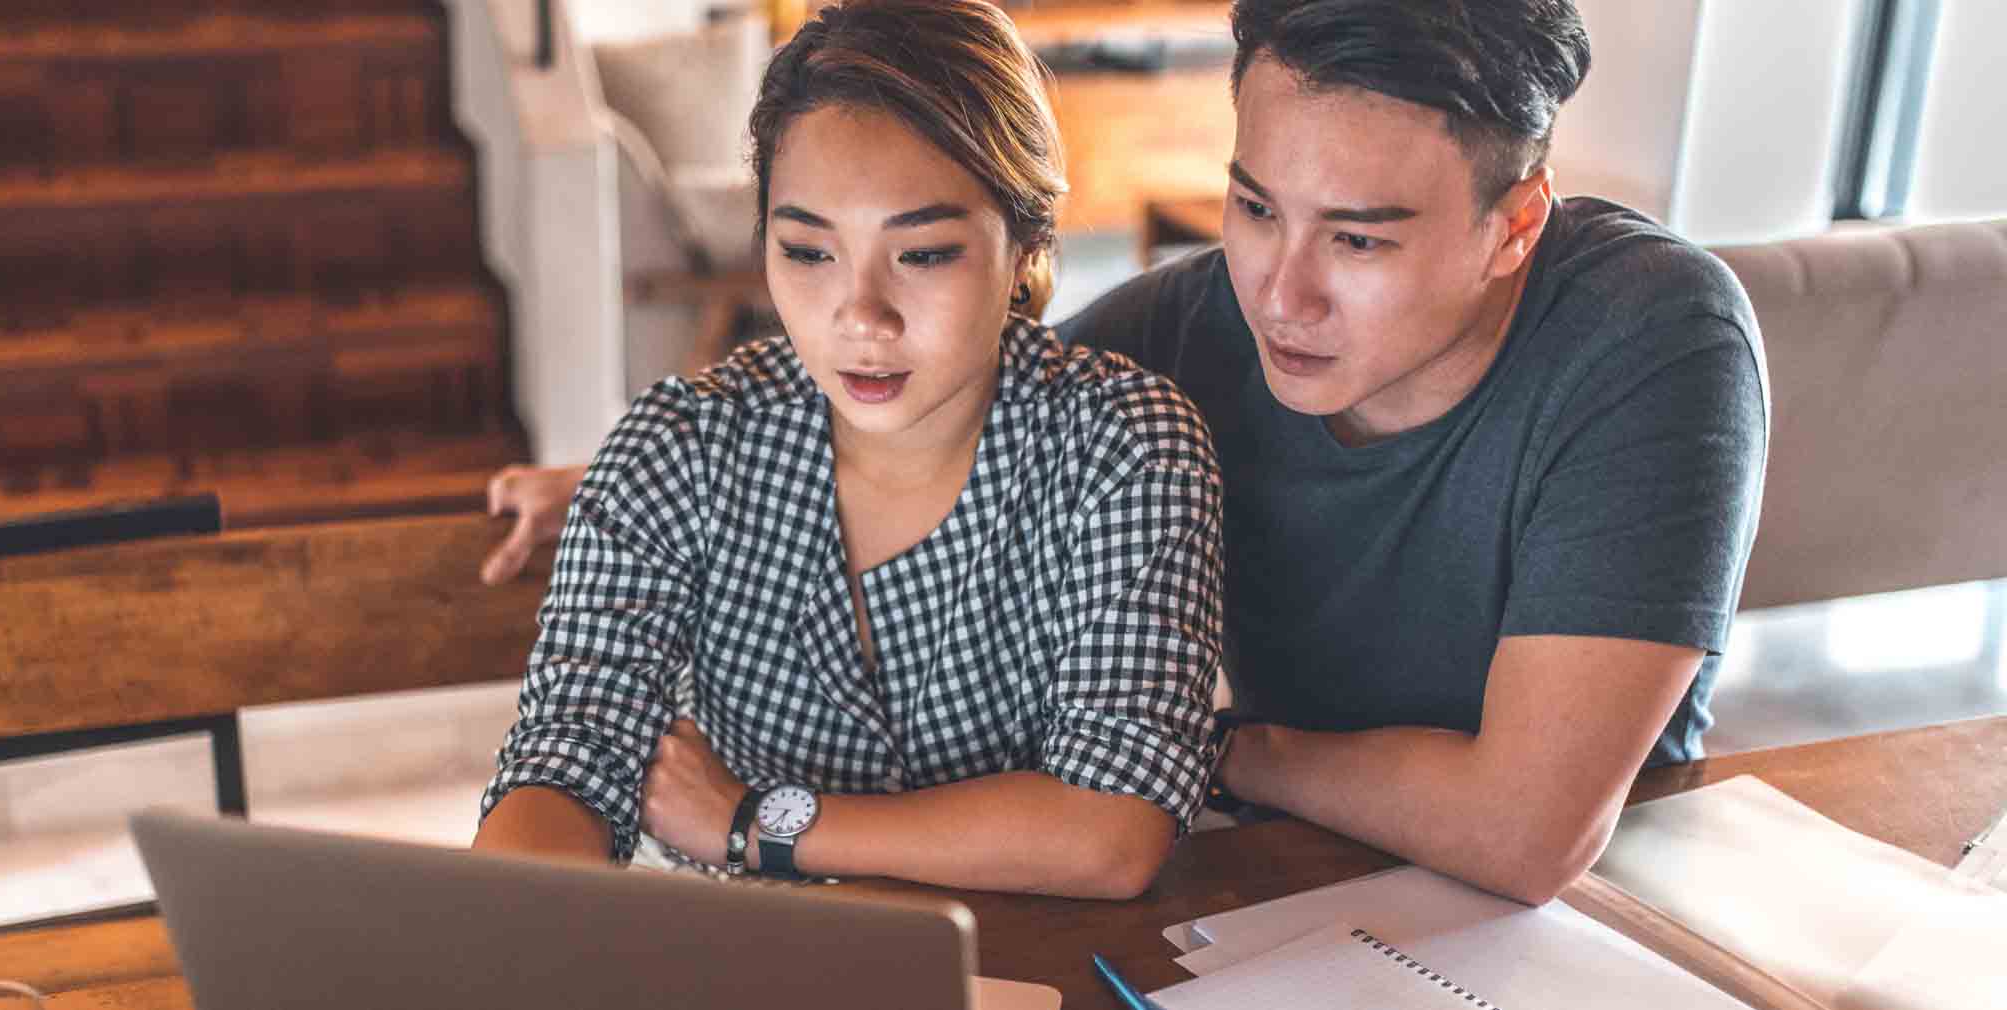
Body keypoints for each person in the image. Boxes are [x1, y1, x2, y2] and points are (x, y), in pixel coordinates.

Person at [481, 0, 1768, 906]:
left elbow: (1528, 831)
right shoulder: (1187, 329)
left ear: (1513, 224)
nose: (1281, 292)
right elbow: (931, 384)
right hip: (1268, 900)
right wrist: (620, 478)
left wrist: (1210, 750)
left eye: (1360, 240)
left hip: (1590, 927)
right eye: (1254, 206)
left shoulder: (1649, 335)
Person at [470, 0, 1227, 900]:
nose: (860, 317)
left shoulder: (1125, 449)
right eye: (807, 251)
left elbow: (1112, 829)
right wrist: (502, 933)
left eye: (923, 254)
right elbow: (570, 757)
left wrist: (757, 823)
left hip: (1048, 964)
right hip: (761, 967)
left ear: (1027, 243)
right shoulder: (678, 452)